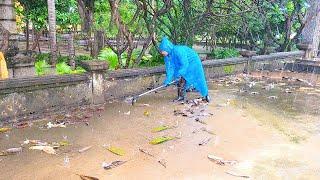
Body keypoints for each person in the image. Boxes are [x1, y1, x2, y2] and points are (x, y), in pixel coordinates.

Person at [159, 37, 210, 102]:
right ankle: (181, 96)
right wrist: (168, 80)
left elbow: (185, 64)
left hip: (193, 61)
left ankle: (205, 95)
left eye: (163, 50)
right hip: (182, 65)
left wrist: (180, 73)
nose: (162, 53)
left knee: (198, 78)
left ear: (167, 48)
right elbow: (170, 68)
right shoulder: (167, 56)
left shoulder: (178, 51)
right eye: (161, 51)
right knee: (180, 80)